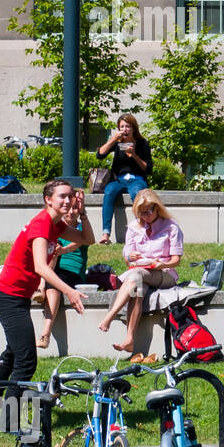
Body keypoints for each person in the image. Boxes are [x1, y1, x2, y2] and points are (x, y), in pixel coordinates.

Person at [0, 181, 90, 400]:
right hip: (8, 297)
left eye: (70, 196)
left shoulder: (56, 225)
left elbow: (87, 239)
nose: (68, 200)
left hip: (19, 297)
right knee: (26, 360)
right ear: (48, 199)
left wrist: (83, 214)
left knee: (14, 352)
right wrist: (69, 291)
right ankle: (10, 419)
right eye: (62, 196)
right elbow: (40, 266)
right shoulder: (42, 223)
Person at [98, 189, 183, 353]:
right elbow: (127, 258)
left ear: (157, 208)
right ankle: (129, 339)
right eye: (141, 213)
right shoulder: (133, 227)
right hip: (140, 273)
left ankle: (111, 315)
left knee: (136, 276)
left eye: (149, 212)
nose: (145, 216)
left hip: (164, 274)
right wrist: (131, 256)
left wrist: (162, 265)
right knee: (138, 290)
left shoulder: (171, 227)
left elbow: (176, 260)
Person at [36, 209, 89, 350]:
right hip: (53, 270)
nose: (71, 213)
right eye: (69, 209)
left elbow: (80, 241)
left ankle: (45, 333)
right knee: (53, 252)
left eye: (75, 209)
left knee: (53, 285)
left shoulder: (81, 226)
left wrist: (63, 249)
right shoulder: (56, 226)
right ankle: (42, 285)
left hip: (73, 271)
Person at [96, 113, 152, 244]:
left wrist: (134, 155)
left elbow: (148, 169)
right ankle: (105, 233)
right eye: (122, 127)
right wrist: (112, 140)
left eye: (128, 126)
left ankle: (142, 229)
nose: (125, 129)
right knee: (109, 191)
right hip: (119, 180)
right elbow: (100, 155)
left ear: (133, 128)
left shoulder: (142, 144)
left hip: (137, 179)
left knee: (136, 193)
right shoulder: (117, 143)